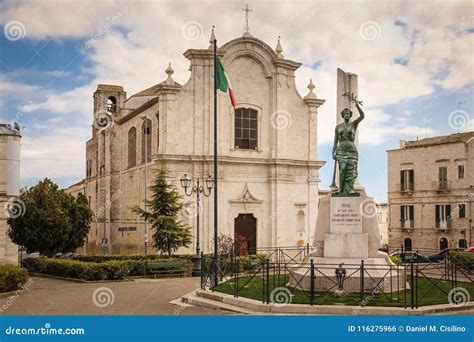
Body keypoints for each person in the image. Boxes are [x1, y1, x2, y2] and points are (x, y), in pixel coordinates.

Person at [332, 100, 364, 196]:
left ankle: (350, 189)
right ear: (342, 115)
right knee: (343, 168)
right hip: (341, 150)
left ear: (350, 115)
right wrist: (333, 152)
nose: (346, 114)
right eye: (345, 113)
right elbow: (335, 140)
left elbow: (362, 116)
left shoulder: (353, 124)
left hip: (352, 151)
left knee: (352, 170)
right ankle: (341, 189)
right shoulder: (338, 127)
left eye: (348, 113)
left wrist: (357, 106)